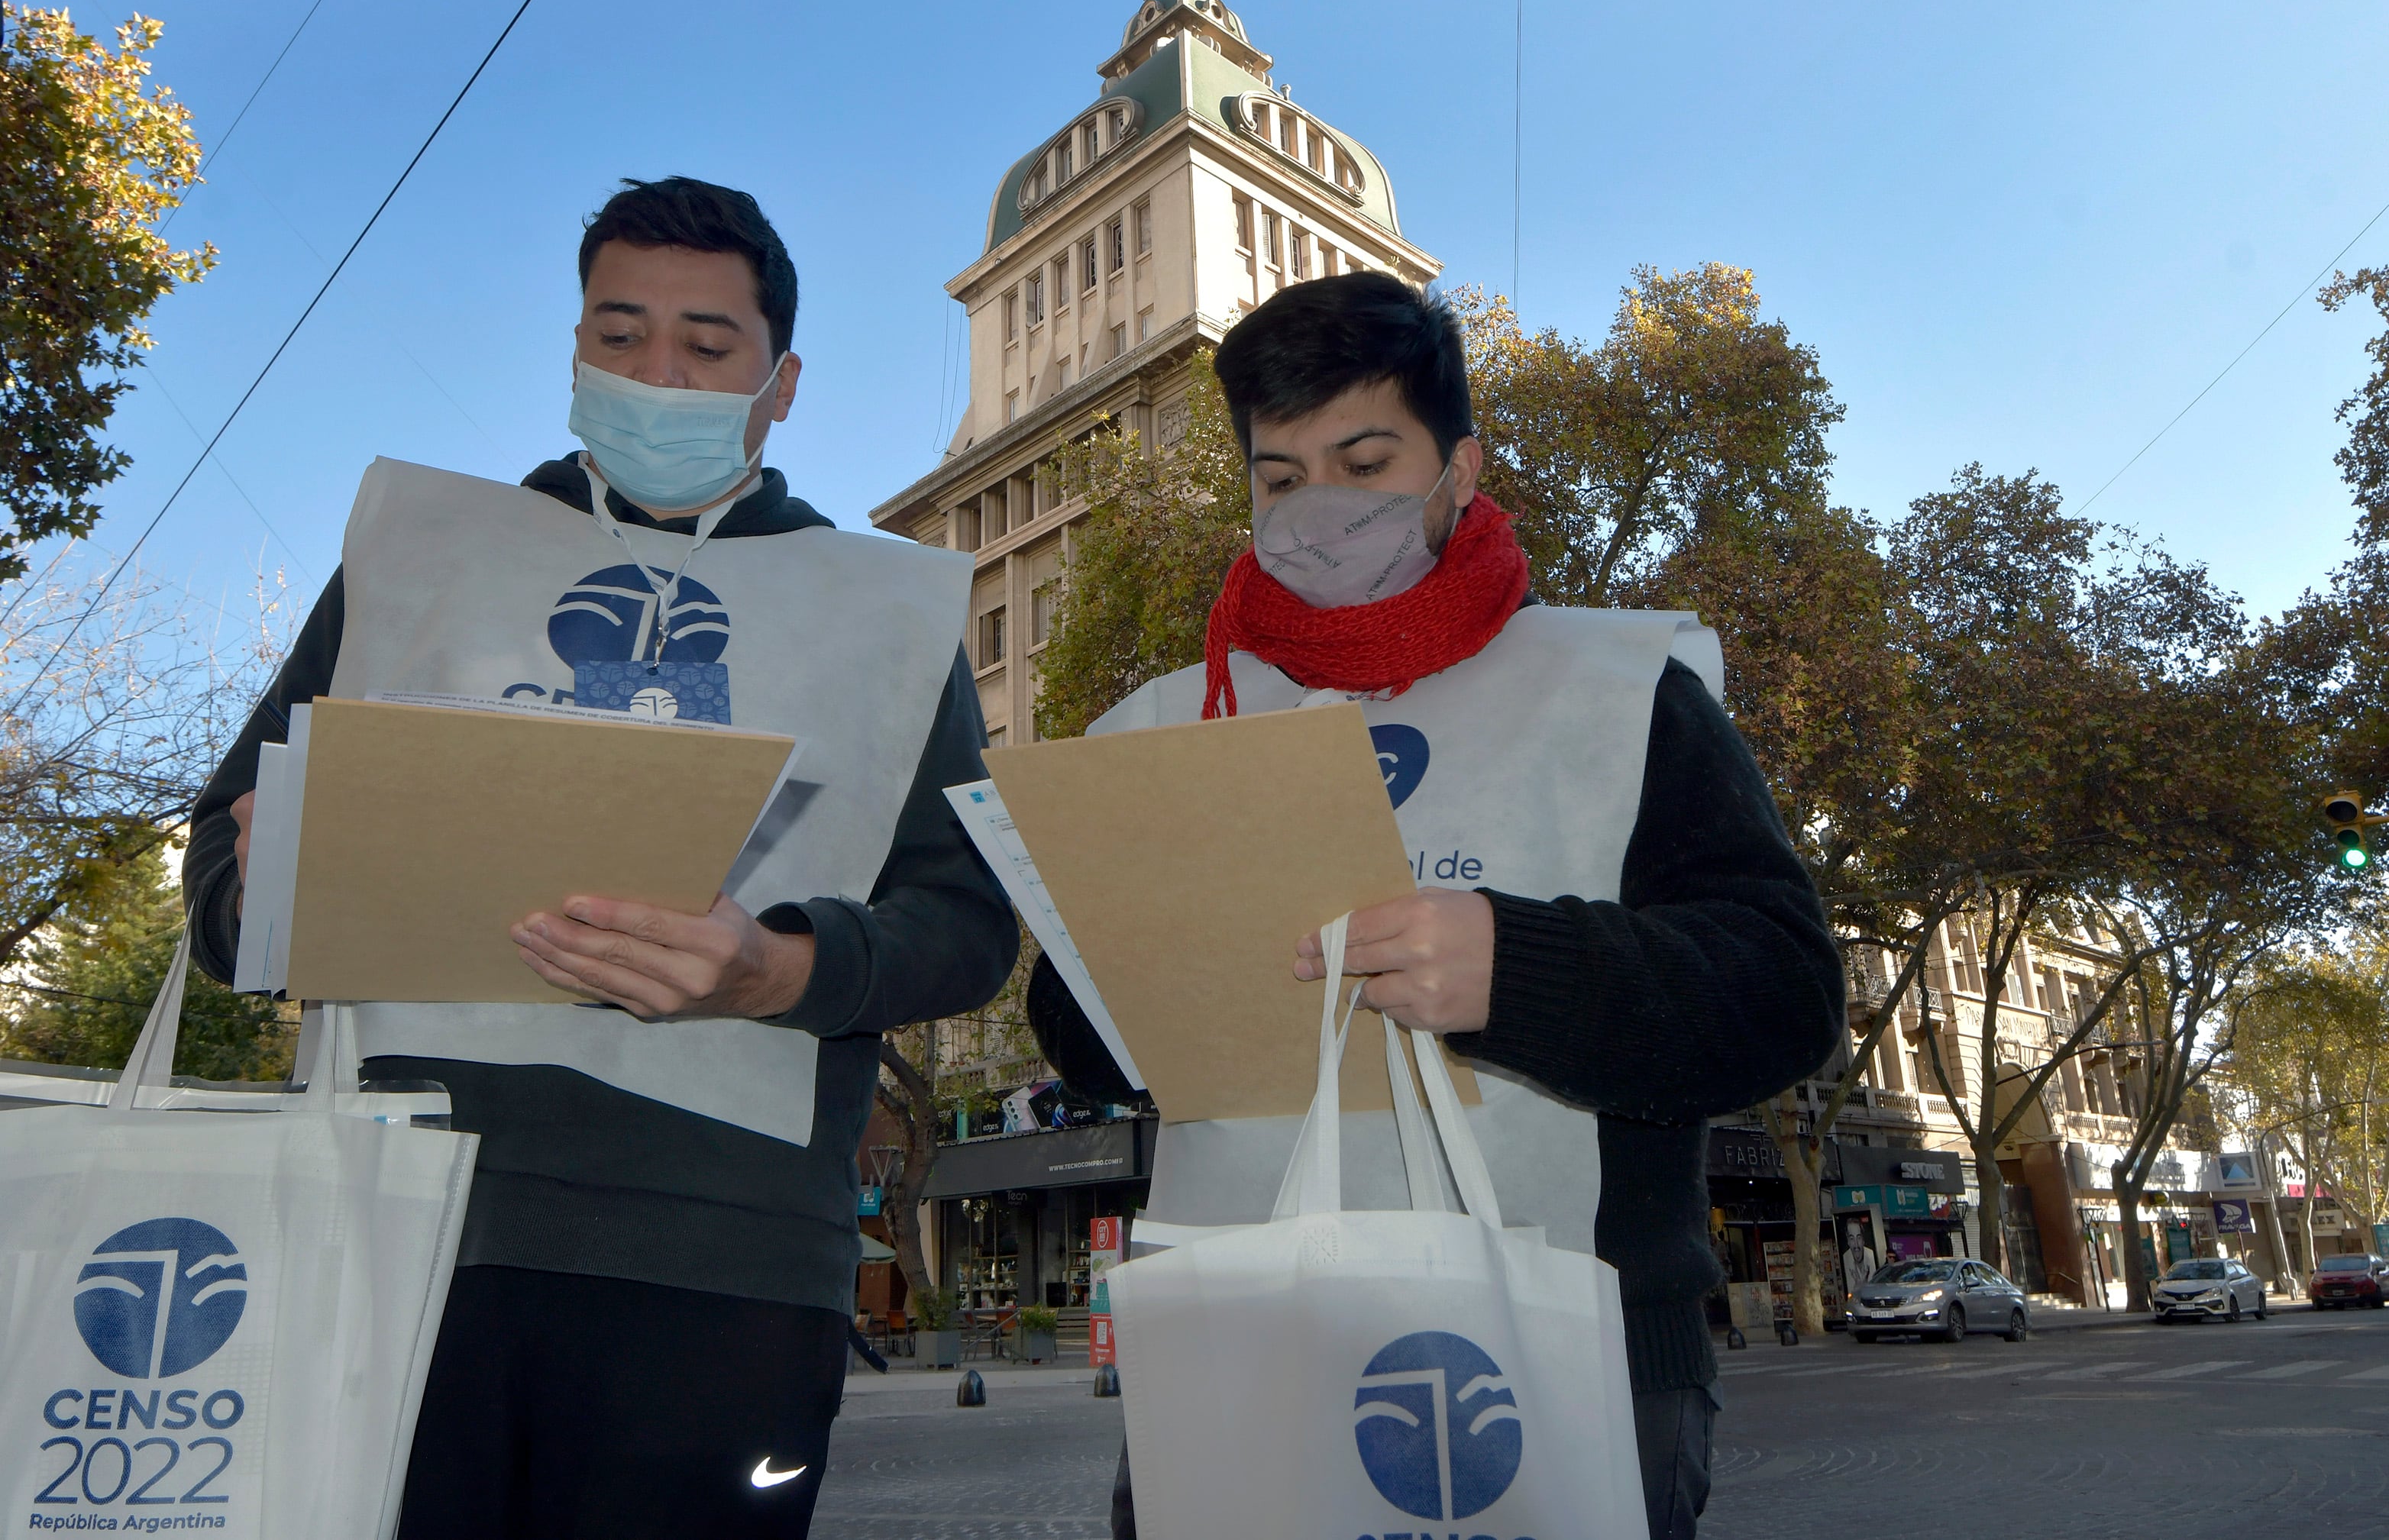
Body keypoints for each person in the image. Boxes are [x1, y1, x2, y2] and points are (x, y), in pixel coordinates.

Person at [183, 176, 1016, 1539]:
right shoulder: (421, 564)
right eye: (619, 336)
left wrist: (775, 970)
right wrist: (267, 884)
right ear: (574, 352)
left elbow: (971, 925)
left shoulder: (883, 615)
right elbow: (218, 883)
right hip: (398, 1231)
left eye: (707, 344)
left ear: (781, 380)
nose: (658, 375)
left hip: (724, 1262)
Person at [1026, 273, 1842, 1540]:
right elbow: (1080, 1038)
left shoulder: (1622, 689)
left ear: (1459, 467)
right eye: (1281, 477)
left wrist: (1518, 971)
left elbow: (1784, 991)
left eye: (1365, 460)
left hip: (1577, 1340)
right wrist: (1156, 953)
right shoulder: (1161, 721)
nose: (1319, 509)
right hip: (1242, 1339)